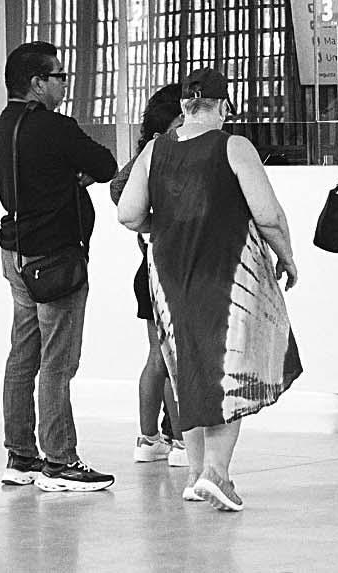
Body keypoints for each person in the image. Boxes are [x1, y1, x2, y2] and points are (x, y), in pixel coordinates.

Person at [117, 67, 301, 512]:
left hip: (168, 273)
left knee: (189, 368)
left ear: (184, 106)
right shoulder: (232, 146)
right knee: (230, 366)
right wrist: (287, 257)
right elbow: (268, 214)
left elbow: (128, 214)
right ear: (223, 106)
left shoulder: (155, 150)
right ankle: (217, 473)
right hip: (226, 268)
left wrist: (165, 227)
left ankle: (196, 473)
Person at [0, 42, 118, 493]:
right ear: (37, 82)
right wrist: (78, 174)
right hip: (54, 258)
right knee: (58, 362)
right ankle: (60, 461)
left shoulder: (3, 126)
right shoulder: (54, 127)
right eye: (59, 76)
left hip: (17, 253)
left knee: (23, 356)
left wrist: (68, 174)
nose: (64, 84)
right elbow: (105, 164)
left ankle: (20, 455)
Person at [110, 83, 187, 469]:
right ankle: (181, 440)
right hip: (170, 271)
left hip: (148, 269)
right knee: (176, 360)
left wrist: (147, 223)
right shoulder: (164, 155)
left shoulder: (145, 157)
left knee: (158, 357)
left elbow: (118, 188)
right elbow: (118, 190)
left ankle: (149, 438)